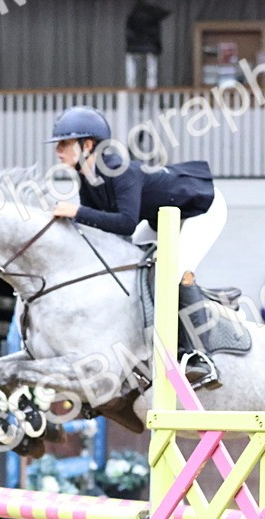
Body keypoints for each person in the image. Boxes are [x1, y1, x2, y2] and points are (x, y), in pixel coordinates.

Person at [46, 105, 228, 389]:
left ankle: (200, 357)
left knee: (177, 272)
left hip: (201, 210)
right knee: (132, 261)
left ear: (88, 144)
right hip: (162, 218)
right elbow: (103, 234)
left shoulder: (120, 170)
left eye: (64, 143)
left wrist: (76, 213)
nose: (58, 150)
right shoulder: (87, 177)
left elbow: (127, 224)